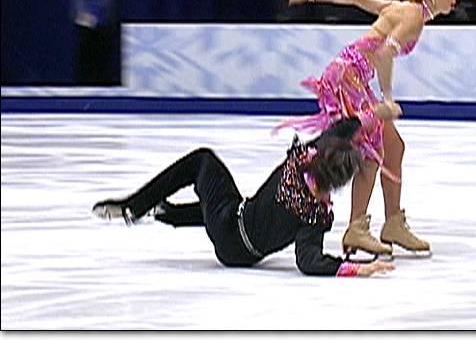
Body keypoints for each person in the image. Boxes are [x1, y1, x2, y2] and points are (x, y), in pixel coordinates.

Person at [274, 0, 459, 257]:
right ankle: (356, 228)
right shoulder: (413, 17)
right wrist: (387, 99)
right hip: (347, 78)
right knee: (373, 148)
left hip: (349, 75)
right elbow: (385, 54)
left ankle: (393, 223)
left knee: (393, 147)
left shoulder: (404, 9)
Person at [92, 117, 395, 277]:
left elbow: (333, 134)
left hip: (229, 224)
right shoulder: (317, 215)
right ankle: (165, 213)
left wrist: (365, 118)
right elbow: (309, 261)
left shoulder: (297, 164)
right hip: (241, 254)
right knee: (227, 205)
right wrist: (356, 269)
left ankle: (135, 207)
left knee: (202, 161)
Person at [70, 0, 121, 85]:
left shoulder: (107, 1)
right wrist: (91, 21)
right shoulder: (78, 0)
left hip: (102, 44)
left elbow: (107, 20)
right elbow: (76, 17)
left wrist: (93, 22)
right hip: (84, 44)